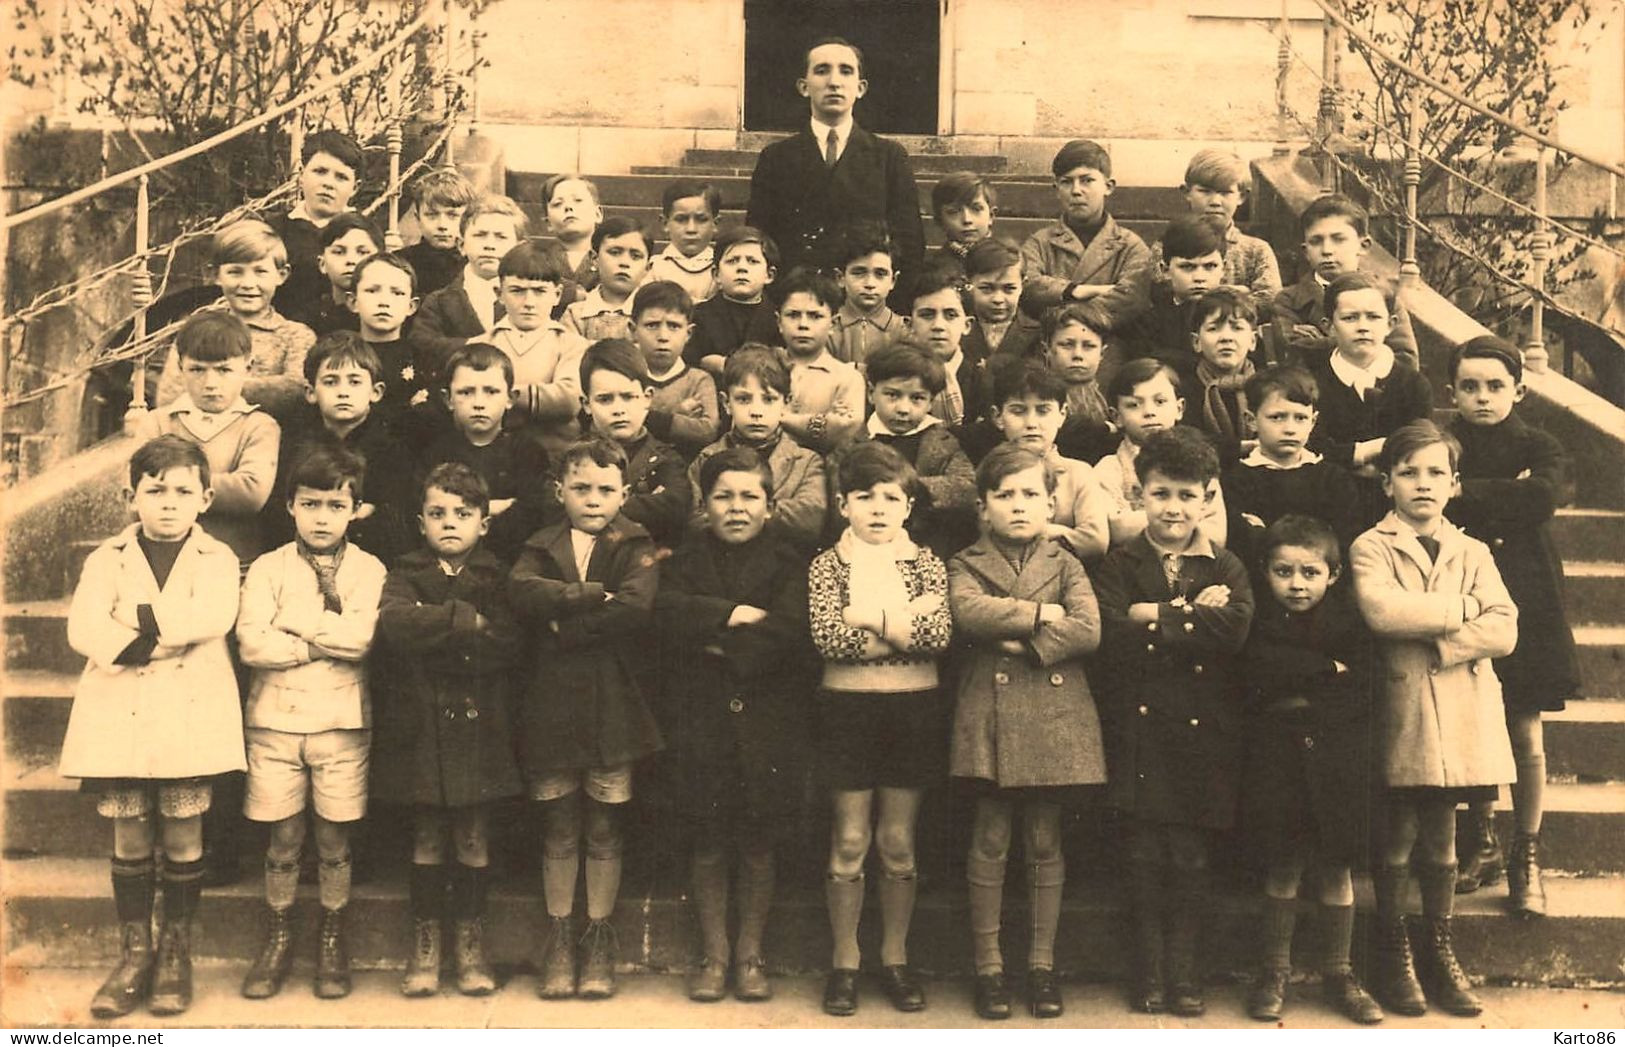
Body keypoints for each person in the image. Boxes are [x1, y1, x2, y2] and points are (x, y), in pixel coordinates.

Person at [59, 436, 247, 1018]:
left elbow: (212, 616)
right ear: (130, 495)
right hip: (120, 713)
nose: (168, 503)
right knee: (132, 834)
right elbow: (85, 627)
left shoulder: (216, 560)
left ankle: (174, 954)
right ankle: (134, 952)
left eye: (183, 491)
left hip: (190, 713)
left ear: (206, 497)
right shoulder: (105, 559)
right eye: (154, 490)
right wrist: (158, 638)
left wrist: (134, 625)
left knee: (184, 832)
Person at [1351, 419, 1517, 1019]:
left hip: (1464, 709)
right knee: (1397, 837)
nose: (1423, 485)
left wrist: (1445, 642)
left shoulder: (1472, 549)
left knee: (1444, 840)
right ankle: (1393, 954)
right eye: (1408, 473)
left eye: (1436, 474)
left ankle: (1439, 950)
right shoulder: (1372, 546)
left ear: (1454, 483)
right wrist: (1465, 607)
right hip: (1404, 708)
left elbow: (1505, 626)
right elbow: (1385, 613)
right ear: (1387, 483)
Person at [1093, 425, 1255, 1017]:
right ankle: (1149, 973)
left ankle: (1186, 975)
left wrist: (1154, 615)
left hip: (1202, 734)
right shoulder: (1120, 562)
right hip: (1140, 732)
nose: (1174, 508)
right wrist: (1187, 614)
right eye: (1161, 494)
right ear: (1140, 495)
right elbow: (1110, 634)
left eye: (1188, 495)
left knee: (1189, 857)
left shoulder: (1227, 563)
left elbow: (1234, 631)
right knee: (1142, 855)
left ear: (1209, 497)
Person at [655, 447, 819, 1002]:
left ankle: (749, 953)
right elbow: (667, 614)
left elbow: (793, 631)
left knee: (756, 841)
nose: (737, 507)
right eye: (723, 496)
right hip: (700, 719)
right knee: (706, 838)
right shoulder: (682, 560)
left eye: (750, 496)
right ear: (705, 504)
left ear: (770, 506)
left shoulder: (791, 563)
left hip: (769, 722)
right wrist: (732, 615)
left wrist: (719, 645)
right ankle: (713, 952)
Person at [948, 443, 1104, 1021]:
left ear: (1051, 502)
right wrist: (1041, 615)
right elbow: (966, 611)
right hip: (987, 709)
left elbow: (1088, 628)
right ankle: (988, 968)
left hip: (1055, 713)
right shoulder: (964, 561)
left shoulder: (1066, 561)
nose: (1018, 506)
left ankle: (1041, 966)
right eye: (1005, 495)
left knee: (1044, 838)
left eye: (1030, 495)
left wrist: (1022, 642)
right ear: (984, 506)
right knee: (990, 836)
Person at [509, 437, 664, 1001]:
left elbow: (634, 607)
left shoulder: (635, 542)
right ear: (560, 491)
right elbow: (521, 594)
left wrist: (565, 623)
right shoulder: (541, 543)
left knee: (603, 821)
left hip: (611, 704)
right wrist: (589, 595)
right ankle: (560, 934)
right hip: (552, 705)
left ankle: (598, 936)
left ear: (624, 493)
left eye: (605, 489)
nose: (593, 499)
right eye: (580, 488)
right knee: (559, 823)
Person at [236, 445, 387, 1001]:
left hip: (342, 721)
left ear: (356, 510)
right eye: (310, 504)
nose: (322, 517)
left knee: (332, 835)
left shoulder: (371, 571)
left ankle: (332, 935)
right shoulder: (268, 568)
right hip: (274, 721)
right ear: (290, 507)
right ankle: (277, 937)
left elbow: (364, 639)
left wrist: (296, 626)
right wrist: (325, 639)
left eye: (335, 505)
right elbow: (253, 643)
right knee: (283, 836)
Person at [807, 441, 953, 1018]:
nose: (877, 508)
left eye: (890, 498)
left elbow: (939, 634)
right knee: (849, 841)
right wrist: (903, 625)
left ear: (908, 506)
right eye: (864, 497)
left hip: (913, 708)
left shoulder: (926, 562)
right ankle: (846, 961)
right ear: (843, 505)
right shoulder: (827, 564)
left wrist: (867, 618)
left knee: (897, 842)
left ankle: (895, 958)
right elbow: (828, 638)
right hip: (847, 710)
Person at [375, 462, 524, 998]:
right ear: (420, 522)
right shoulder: (404, 570)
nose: (450, 523)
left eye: (463, 514)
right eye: (437, 513)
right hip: (422, 725)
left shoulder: (501, 575)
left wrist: (434, 621)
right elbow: (396, 624)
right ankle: (426, 944)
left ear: (484, 523)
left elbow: (508, 642)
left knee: (473, 833)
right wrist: (465, 621)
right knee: (427, 834)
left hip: (479, 723)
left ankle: (470, 943)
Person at [1444, 336, 1582, 914]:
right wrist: (1506, 493)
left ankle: (1527, 853)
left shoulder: (1539, 443)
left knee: (1523, 726)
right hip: (1459, 590)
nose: (1482, 397)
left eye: (1495, 386)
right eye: (1469, 386)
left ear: (1519, 390)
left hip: (1527, 592)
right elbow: (1432, 497)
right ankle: (1483, 840)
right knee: (1472, 723)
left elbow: (1544, 497)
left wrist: (1465, 491)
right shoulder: (1444, 444)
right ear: (1451, 392)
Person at [1240, 515, 1383, 1025]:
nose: (1296, 584)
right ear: (1266, 572)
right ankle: (1273, 969)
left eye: (1309, 573)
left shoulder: (1351, 624)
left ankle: (1339, 971)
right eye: (1283, 572)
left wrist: (1298, 685)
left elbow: (1362, 687)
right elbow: (1257, 672)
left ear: (1334, 575)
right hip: (1278, 760)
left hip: (1337, 762)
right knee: (1283, 864)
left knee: (1336, 867)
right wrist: (1323, 670)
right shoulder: (1257, 620)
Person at [746, 36, 924, 304]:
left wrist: (885, 307)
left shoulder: (889, 157)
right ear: (803, 86)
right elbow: (759, 240)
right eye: (821, 70)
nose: (834, 81)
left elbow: (909, 244)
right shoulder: (776, 158)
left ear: (861, 88)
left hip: (865, 302)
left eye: (846, 71)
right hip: (797, 304)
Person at [136, 311, 281, 568]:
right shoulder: (157, 422)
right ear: (181, 367)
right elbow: (139, 488)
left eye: (224, 370)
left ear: (247, 367)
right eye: (197, 370)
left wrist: (172, 484)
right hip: (162, 563)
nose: (210, 383)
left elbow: (250, 493)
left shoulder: (258, 425)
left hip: (237, 565)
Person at [267, 333, 415, 565]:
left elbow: (394, 517)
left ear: (375, 392)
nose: (343, 391)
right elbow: (280, 508)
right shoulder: (295, 444)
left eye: (355, 381)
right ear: (311, 392)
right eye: (330, 381)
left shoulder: (390, 447)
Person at [824, 343, 976, 558]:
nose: (904, 409)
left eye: (917, 398)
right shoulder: (852, 445)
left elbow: (967, 490)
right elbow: (837, 499)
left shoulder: (942, 442)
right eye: (892, 395)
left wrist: (909, 489)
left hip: (931, 550)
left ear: (931, 402)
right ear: (871, 393)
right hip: (865, 549)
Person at [1305, 272, 1432, 528]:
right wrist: (1366, 451)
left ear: (1390, 324)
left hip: (1397, 507)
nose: (1363, 326)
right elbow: (1312, 448)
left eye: (1373, 317)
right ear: (1329, 325)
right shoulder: (1311, 385)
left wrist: (1348, 458)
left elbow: (1417, 447)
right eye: (1350, 318)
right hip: (1329, 505)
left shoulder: (1412, 384)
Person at [154, 220, 315, 420]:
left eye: (260, 271)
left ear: (281, 275)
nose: (248, 284)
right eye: (235, 272)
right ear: (214, 275)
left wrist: (213, 387)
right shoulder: (196, 331)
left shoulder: (295, 336)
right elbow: (170, 397)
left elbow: (297, 392)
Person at [414, 343, 554, 563]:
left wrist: (467, 512)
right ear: (448, 399)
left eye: (491, 392)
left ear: (510, 398)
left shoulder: (528, 453)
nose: (479, 403)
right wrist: (493, 507)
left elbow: (531, 515)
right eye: (466, 392)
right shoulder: (436, 454)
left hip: (509, 560)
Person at [1221, 364, 1362, 572]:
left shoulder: (1333, 480)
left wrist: (1263, 533)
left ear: (1313, 421)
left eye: (1300, 418)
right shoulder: (1235, 481)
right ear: (1251, 421)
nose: (1289, 429)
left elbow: (1343, 544)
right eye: (1277, 417)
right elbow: (1242, 548)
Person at [688, 345, 826, 553]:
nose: (756, 412)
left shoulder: (806, 461)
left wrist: (731, 512)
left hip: (783, 566)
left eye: (769, 399)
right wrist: (764, 512)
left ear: (786, 403)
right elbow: (694, 518)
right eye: (743, 399)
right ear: (726, 403)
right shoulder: (707, 458)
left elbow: (809, 518)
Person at [1092, 360, 1227, 550]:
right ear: (1116, 417)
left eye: (1160, 401)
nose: (1149, 412)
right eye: (1134, 405)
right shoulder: (1109, 469)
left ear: (1179, 409)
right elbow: (1117, 528)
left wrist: (1144, 520)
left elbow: (1215, 534)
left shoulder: (1200, 462)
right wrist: (1187, 519)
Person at [1019, 139, 1152, 332]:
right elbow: (1028, 286)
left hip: (1109, 343)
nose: (1076, 191)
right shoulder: (1040, 243)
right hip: (1050, 343)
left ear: (1108, 186)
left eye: (1087, 180)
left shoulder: (1130, 245)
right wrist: (1076, 291)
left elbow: (1131, 297)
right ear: (1056, 189)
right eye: (1066, 182)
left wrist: (1063, 306)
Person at [1270, 194, 1418, 368]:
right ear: (1306, 251)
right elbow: (1293, 362)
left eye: (1338, 239)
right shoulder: (1289, 301)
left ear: (1363, 246)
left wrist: (1323, 343)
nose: (1327, 250)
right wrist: (1365, 348)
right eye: (1316, 241)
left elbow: (1406, 363)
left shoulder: (1385, 297)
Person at [986, 362, 1109, 562]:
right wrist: (1065, 533)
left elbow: (1095, 542)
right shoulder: (991, 472)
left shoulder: (1078, 473)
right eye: (1018, 411)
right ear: (998, 417)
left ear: (1062, 415)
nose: (1032, 423)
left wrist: (1039, 530)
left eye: (1043, 411)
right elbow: (988, 540)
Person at [578, 338, 693, 549]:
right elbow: (553, 503)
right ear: (586, 404)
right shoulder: (572, 457)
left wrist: (592, 503)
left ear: (647, 397)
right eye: (605, 399)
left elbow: (674, 505)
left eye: (628, 397)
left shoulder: (666, 459)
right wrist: (640, 502)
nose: (618, 409)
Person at [486, 241, 589, 457]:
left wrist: (496, 394)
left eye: (540, 291)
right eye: (517, 291)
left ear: (557, 295)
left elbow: (568, 400)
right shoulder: (482, 344)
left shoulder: (572, 345)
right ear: (499, 293)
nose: (528, 302)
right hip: (495, 455)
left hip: (554, 458)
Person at [410, 195, 529, 379]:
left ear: (519, 248)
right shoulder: (439, 301)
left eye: (500, 237)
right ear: (461, 245)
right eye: (480, 235)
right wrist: (474, 344)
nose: (489, 245)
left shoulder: (532, 296)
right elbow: (423, 345)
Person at [1149, 149, 1282, 308]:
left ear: (1241, 197)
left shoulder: (1256, 250)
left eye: (1225, 192)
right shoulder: (1166, 245)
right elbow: (1162, 291)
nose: (1215, 201)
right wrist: (1238, 293)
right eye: (1205, 191)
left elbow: (1269, 298)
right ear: (1187, 193)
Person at [1117, 215, 1228, 394]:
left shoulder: (1235, 317)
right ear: (1165, 270)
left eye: (1210, 266)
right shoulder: (1148, 322)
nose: (1199, 277)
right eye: (1187, 267)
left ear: (1224, 268)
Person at [270, 129, 364, 329]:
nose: (328, 183)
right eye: (320, 171)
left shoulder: (365, 235)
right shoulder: (274, 230)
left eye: (341, 177)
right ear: (302, 174)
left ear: (355, 188)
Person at [344, 254, 431, 441]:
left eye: (397, 293)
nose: (384, 301)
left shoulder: (421, 359)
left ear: (411, 306)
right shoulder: (340, 355)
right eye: (372, 291)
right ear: (353, 302)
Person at [630, 280, 720, 459]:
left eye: (674, 326)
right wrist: (675, 417)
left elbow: (707, 431)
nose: (663, 336)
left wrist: (642, 416)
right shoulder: (625, 376)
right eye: (652, 325)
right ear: (633, 329)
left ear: (688, 333)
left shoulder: (699, 380)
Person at [778, 266, 865, 452]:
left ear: (833, 323)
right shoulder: (762, 365)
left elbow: (841, 432)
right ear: (779, 322)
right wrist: (821, 421)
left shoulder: (847, 378)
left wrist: (780, 417)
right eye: (793, 315)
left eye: (815, 316)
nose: (803, 324)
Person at [685, 225, 783, 376]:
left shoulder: (778, 318)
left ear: (769, 275)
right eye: (732, 261)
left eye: (752, 261)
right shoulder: (698, 316)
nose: (742, 267)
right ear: (716, 274)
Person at [1185, 286, 1263, 464]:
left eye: (1237, 328)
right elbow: (1189, 442)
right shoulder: (1185, 390)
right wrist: (1239, 448)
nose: (1226, 337)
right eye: (1214, 329)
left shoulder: (1270, 388)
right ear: (1196, 342)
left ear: (1252, 341)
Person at [905, 265, 986, 433]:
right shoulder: (896, 376)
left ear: (967, 325)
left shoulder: (981, 380)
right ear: (909, 325)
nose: (938, 326)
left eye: (950, 315)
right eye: (927, 315)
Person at [1040, 301, 1118, 466]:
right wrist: (1104, 429)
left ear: (1102, 353)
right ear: (1046, 349)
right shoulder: (1037, 394)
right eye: (1067, 345)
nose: (1077, 355)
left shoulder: (1112, 397)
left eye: (1089, 346)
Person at [565, 217, 653, 342]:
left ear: (647, 268)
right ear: (594, 259)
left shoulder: (652, 314)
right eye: (615, 252)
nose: (624, 262)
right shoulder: (575, 315)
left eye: (635, 256)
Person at [829, 231, 906, 370]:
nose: (870, 283)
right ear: (840, 278)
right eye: (859, 273)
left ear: (893, 281)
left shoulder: (904, 331)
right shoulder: (827, 330)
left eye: (880, 274)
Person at [962, 238, 1041, 367]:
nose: (998, 299)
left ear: (1023, 285)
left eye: (1009, 289)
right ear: (968, 284)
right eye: (986, 288)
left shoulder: (1037, 335)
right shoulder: (957, 331)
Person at [401, 167, 478, 299]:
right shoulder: (401, 263)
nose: (442, 225)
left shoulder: (475, 265)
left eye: (452, 215)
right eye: (431, 215)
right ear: (418, 218)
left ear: (468, 218)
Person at [306, 213, 384, 338]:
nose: (351, 260)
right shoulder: (309, 321)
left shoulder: (389, 315)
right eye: (339, 252)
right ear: (322, 264)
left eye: (362, 252)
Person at [645, 179, 722, 305]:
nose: (691, 229)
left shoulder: (722, 268)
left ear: (715, 223)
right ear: (665, 223)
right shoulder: (653, 268)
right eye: (681, 219)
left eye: (701, 220)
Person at [541, 173, 605, 300]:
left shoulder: (610, 258)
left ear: (598, 214)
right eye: (558, 204)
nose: (568, 207)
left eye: (578, 201)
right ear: (548, 223)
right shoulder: (539, 260)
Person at [929, 171, 997, 267]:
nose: (967, 220)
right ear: (940, 221)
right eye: (954, 212)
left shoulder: (1008, 262)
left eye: (976, 209)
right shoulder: (934, 269)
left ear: (991, 215)